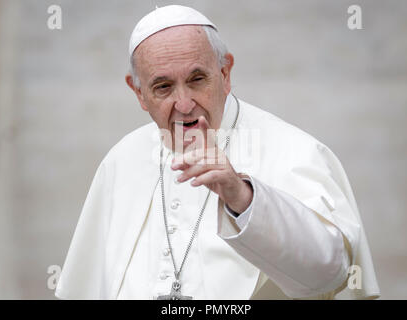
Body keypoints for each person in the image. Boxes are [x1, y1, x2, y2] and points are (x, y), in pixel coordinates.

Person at [55, 5, 380, 300]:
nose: (183, 104)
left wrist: (242, 196)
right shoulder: (120, 160)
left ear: (225, 74)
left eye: (197, 80)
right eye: (163, 87)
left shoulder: (296, 150)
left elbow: (329, 272)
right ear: (139, 93)